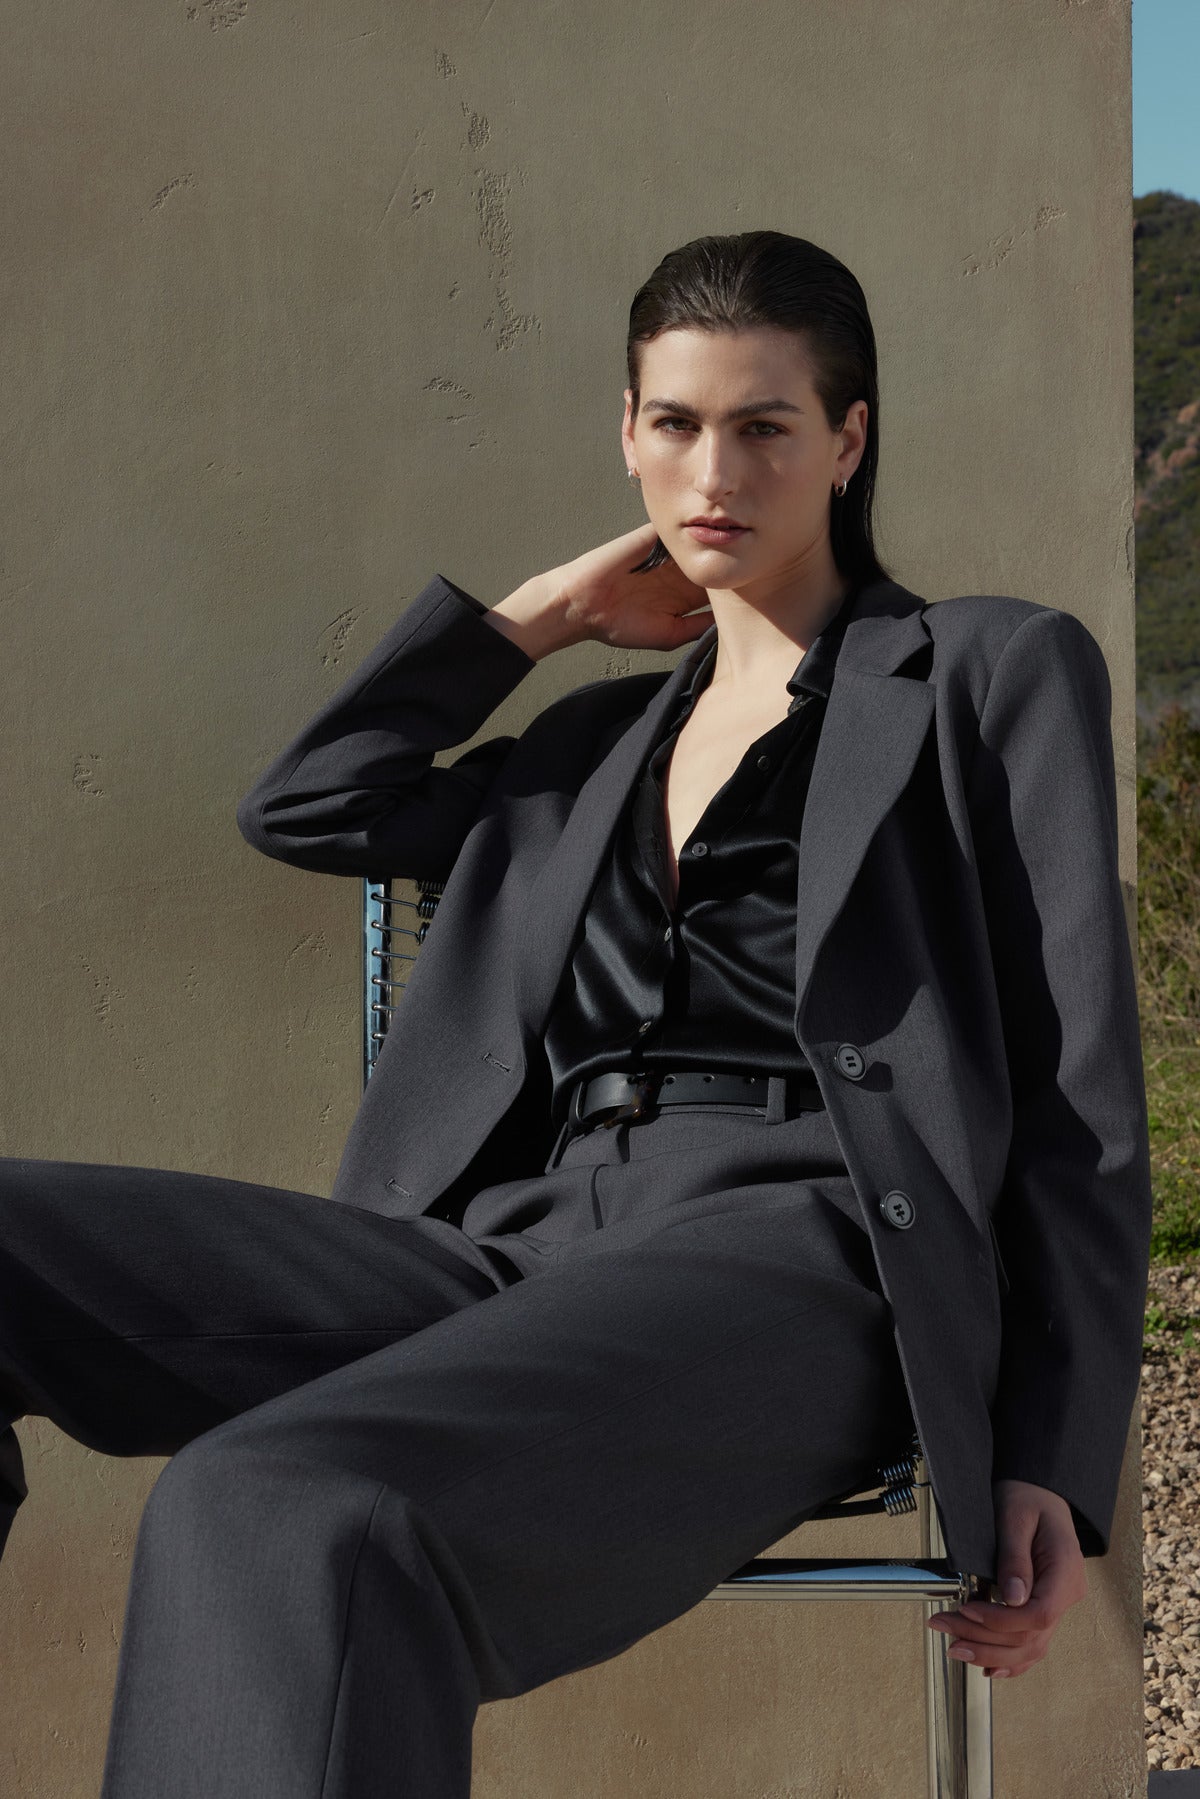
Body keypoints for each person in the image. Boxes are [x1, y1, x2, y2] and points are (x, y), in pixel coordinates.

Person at [0, 231, 1151, 1797]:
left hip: (800, 1250)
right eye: (674, 423)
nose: (713, 470)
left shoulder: (982, 671)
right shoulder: (588, 742)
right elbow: (311, 807)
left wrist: (1054, 1452)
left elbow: (1082, 1080)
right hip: (500, 1251)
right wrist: (532, 624)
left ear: (849, 440)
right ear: (626, 432)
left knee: (268, 1497)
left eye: (764, 426)